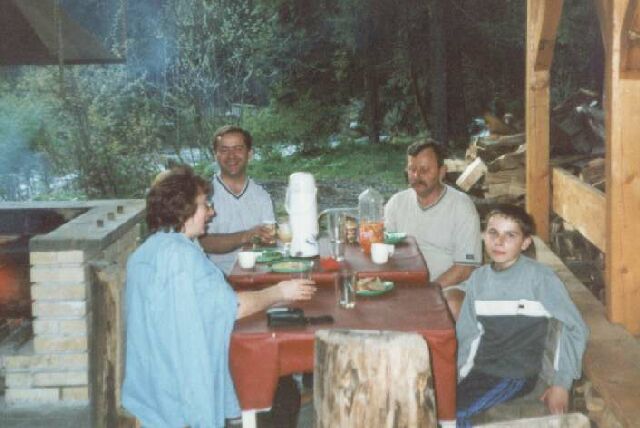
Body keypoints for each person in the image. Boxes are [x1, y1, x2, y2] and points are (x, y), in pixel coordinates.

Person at [122, 165, 316, 427]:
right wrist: (280, 291)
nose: (211, 212)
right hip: (179, 388)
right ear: (184, 209)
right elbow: (233, 307)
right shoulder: (182, 256)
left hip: (148, 384)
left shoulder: (146, 251)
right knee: (280, 387)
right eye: (205, 205)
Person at [456, 205, 588, 427]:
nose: (499, 241)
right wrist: (459, 376)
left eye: (510, 235)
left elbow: (575, 327)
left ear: (525, 243)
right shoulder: (478, 280)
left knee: (457, 413)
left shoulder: (540, 279)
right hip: (481, 371)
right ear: (483, 235)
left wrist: (561, 384)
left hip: (516, 374)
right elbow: (468, 336)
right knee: (439, 406)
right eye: (493, 232)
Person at [384, 139, 482, 318]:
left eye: (424, 170)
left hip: (449, 286)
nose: (416, 176)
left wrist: (428, 290)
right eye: (412, 169)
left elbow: (464, 268)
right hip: (407, 284)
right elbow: (386, 249)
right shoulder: (396, 203)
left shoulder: (461, 206)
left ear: (442, 172)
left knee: (452, 304)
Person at [199, 125, 276, 274]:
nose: (231, 156)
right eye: (224, 150)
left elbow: (269, 240)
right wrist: (246, 236)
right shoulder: (203, 196)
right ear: (215, 155)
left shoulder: (262, 196)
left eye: (238, 149)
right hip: (215, 277)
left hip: (256, 275)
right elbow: (202, 241)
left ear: (250, 154)